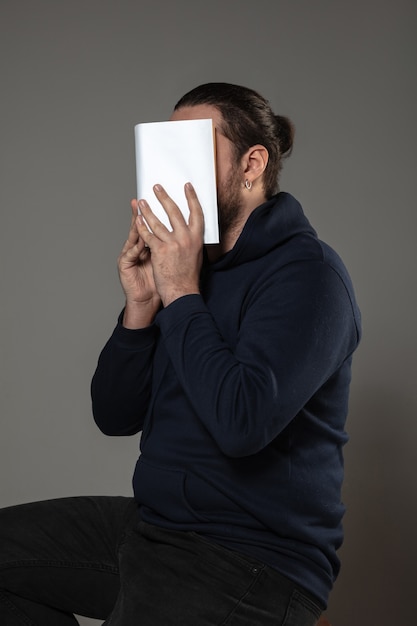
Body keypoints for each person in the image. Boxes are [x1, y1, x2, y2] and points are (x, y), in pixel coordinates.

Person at [0, 83, 361, 625]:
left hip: (251, 561)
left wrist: (182, 293)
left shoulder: (309, 276)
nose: (170, 172)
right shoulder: (188, 272)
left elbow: (242, 424)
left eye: (192, 149)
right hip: (154, 528)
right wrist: (143, 306)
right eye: (164, 151)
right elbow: (114, 415)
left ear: (251, 164)